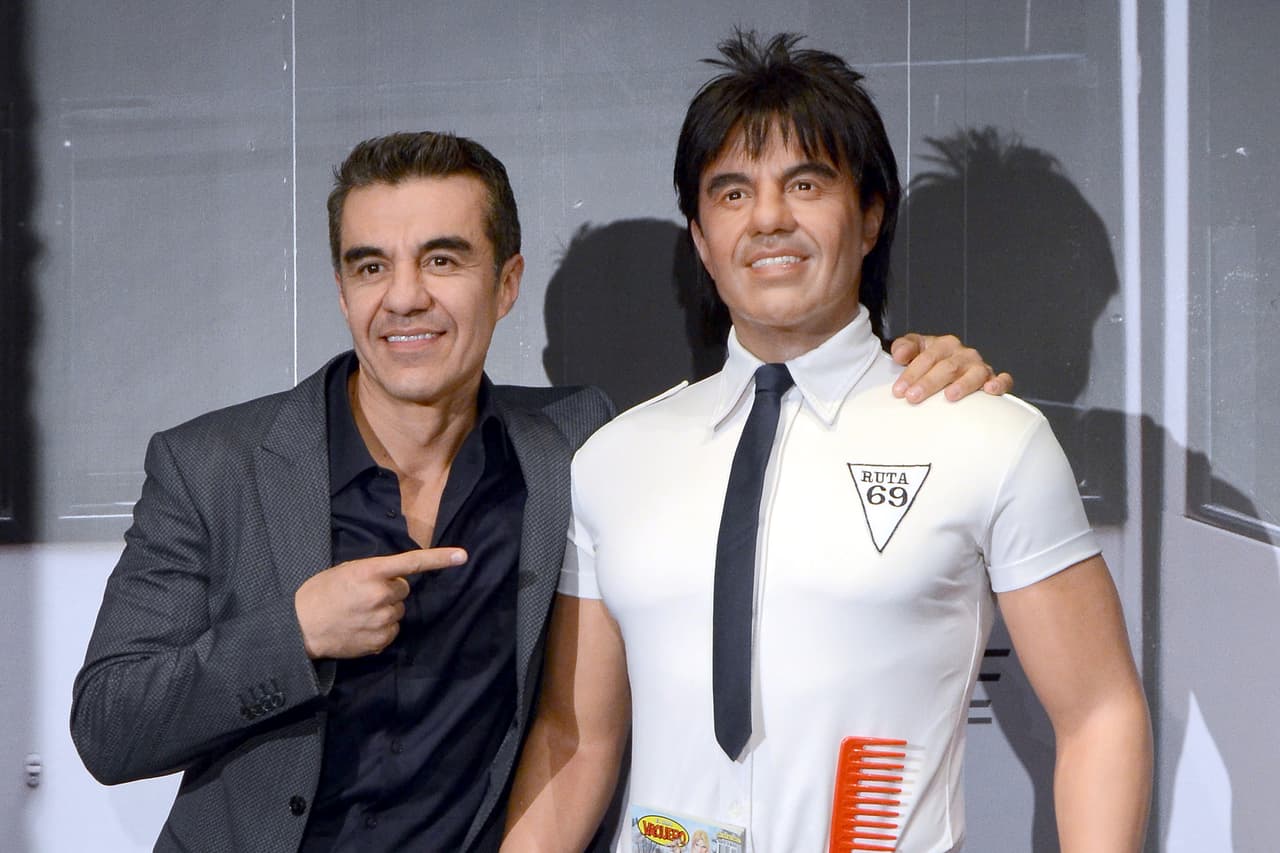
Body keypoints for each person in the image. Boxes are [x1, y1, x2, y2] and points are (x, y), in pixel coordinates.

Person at [69, 130, 1002, 853]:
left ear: (506, 281)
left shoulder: (583, 446)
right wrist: (297, 631)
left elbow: (765, 412)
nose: (404, 297)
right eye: (371, 265)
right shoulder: (213, 465)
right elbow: (108, 726)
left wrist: (904, 371)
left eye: (442, 259)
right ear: (344, 289)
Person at [503, 31, 1152, 853]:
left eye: (805, 183)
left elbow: (1099, 712)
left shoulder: (987, 438)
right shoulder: (613, 462)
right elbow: (575, 736)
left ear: (870, 215)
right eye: (732, 192)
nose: (769, 218)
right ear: (700, 237)